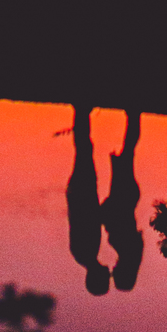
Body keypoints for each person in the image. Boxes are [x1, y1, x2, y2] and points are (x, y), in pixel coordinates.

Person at [65, 104, 110, 294]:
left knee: (84, 148)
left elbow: (86, 219)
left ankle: (81, 111)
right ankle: (82, 112)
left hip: (82, 193)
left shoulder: (86, 252)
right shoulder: (84, 255)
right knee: (84, 149)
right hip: (80, 193)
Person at [101, 109, 144, 290]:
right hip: (123, 196)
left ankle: (133, 117)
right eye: (116, 273)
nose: (113, 269)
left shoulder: (129, 252)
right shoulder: (126, 248)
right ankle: (134, 116)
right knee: (128, 152)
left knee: (128, 152)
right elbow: (117, 220)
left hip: (125, 196)